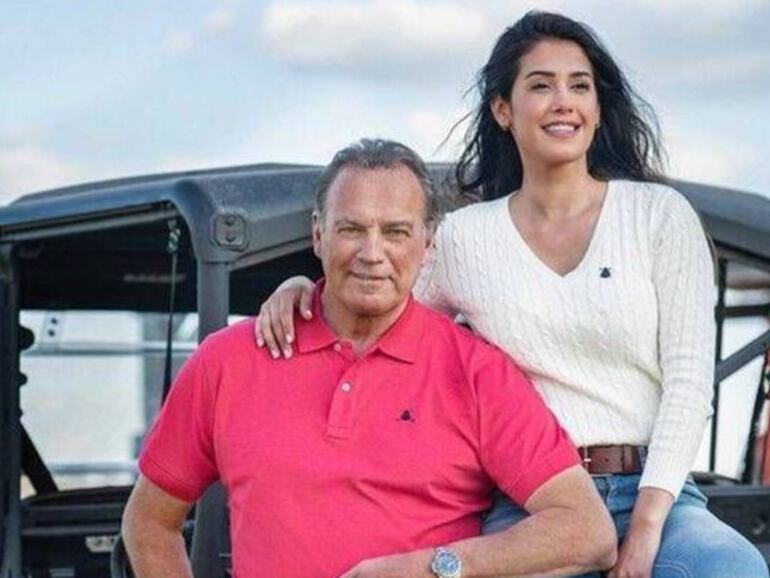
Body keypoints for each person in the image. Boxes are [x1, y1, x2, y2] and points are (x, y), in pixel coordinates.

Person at [254, 12, 769, 578]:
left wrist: (644, 534)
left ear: (598, 108)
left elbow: (690, 383)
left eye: (579, 86)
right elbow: (382, 312)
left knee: (734, 568)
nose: (563, 102)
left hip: (658, 494)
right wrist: (303, 289)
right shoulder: (464, 238)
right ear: (503, 109)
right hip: (532, 500)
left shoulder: (658, 216)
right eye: (541, 85)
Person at [121, 138, 617, 578]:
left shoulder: (477, 372)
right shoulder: (226, 361)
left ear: (427, 242)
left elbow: (586, 530)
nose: (372, 253)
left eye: (396, 232)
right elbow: (148, 522)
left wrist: (434, 568)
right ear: (319, 234)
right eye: (351, 229)